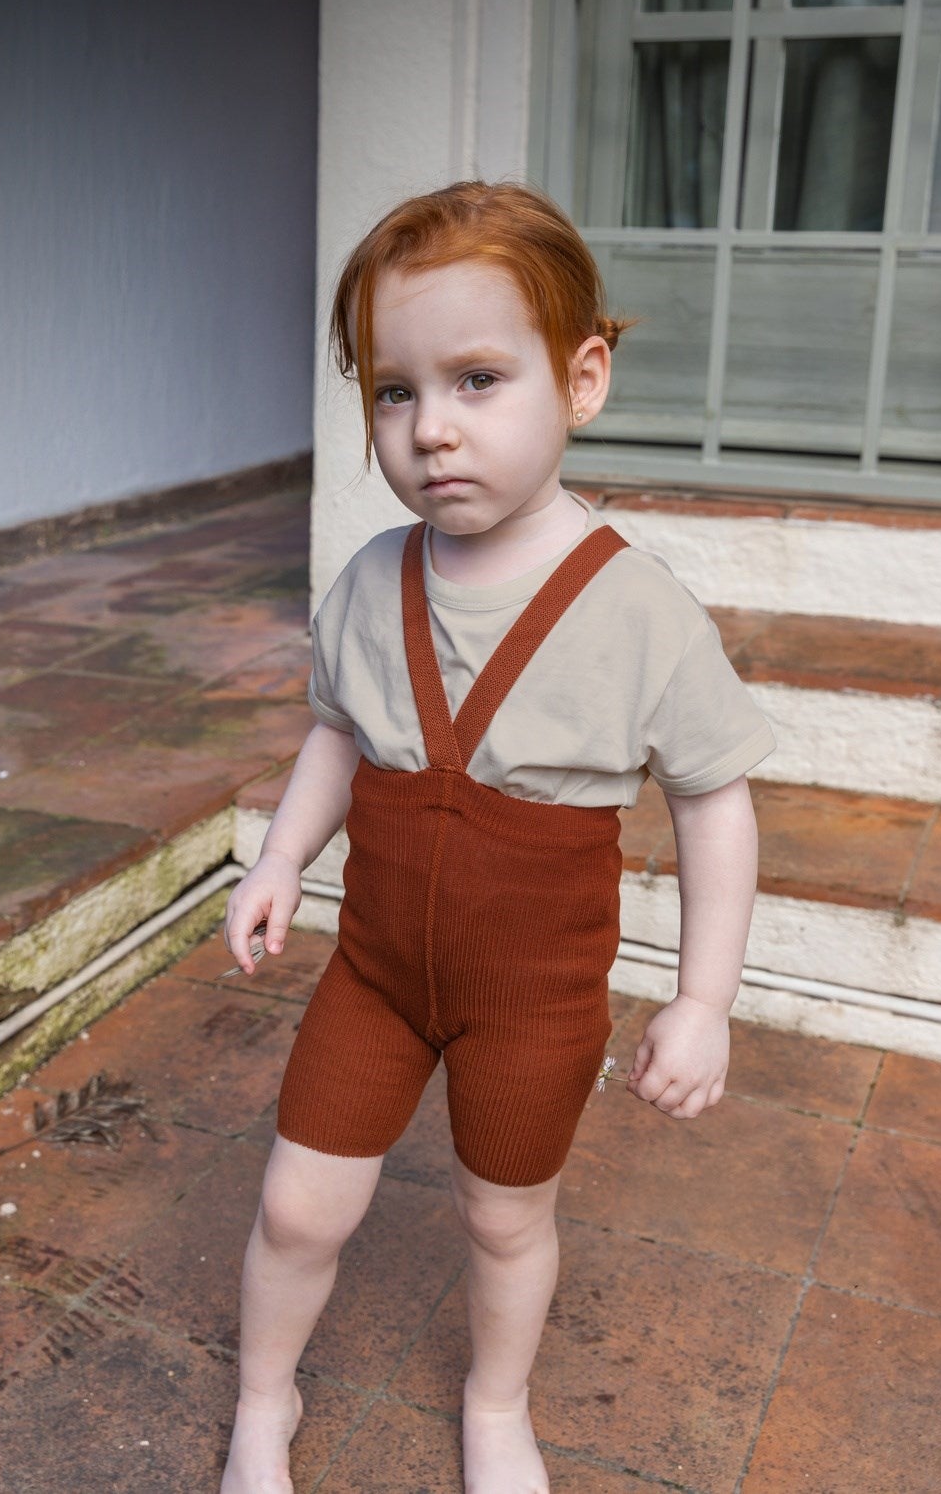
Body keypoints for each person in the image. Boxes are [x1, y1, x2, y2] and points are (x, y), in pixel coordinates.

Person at [218, 180, 775, 1494]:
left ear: (581, 381)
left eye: (477, 379)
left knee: (505, 1218)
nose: (432, 429)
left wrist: (704, 1000)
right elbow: (340, 732)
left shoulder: (638, 609)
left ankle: (497, 1405)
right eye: (394, 392)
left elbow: (714, 801)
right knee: (297, 1205)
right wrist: (282, 858)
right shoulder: (373, 580)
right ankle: (261, 1402)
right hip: (376, 975)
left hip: (534, 997)